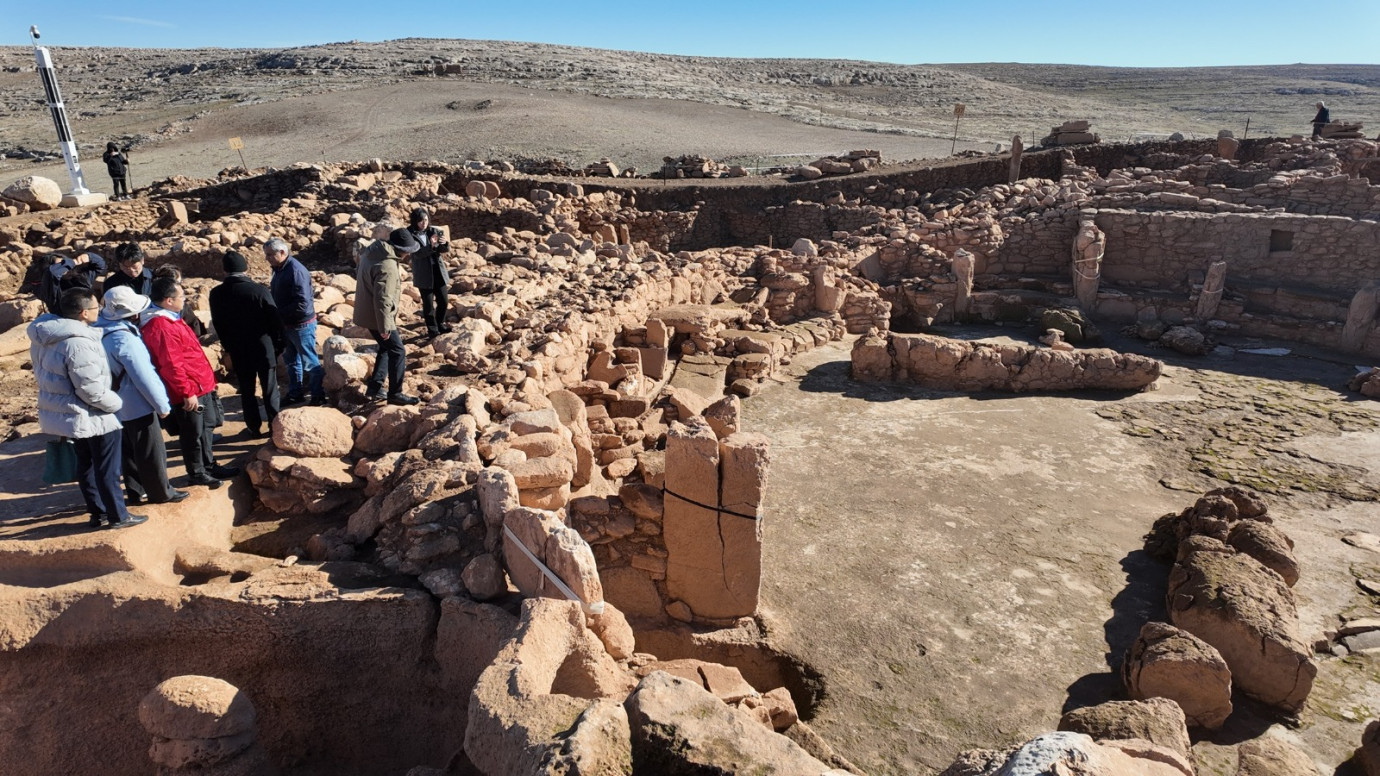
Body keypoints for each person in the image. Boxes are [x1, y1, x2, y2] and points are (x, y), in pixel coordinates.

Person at [29, 288, 146, 529]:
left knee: (86, 463)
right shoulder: (78, 342)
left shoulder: (44, 336)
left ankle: (98, 512)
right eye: (96, 308)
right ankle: (118, 515)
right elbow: (90, 389)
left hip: (68, 413)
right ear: (83, 313)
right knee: (107, 468)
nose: (100, 311)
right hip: (92, 414)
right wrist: (116, 403)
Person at [141, 277, 240, 488]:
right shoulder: (160, 325)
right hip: (189, 389)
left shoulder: (171, 319)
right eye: (181, 297)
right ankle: (196, 471)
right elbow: (171, 364)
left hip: (199, 384)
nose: (184, 300)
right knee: (192, 433)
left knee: (205, 428)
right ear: (168, 300)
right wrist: (186, 391)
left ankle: (209, 464)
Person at [96, 286, 190, 506]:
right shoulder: (124, 338)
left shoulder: (100, 329)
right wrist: (162, 405)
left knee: (128, 449)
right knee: (150, 450)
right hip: (136, 402)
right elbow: (143, 375)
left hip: (114, 401)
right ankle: (161, 492)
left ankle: (136, 490)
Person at [209, 251, 283, 438]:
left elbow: (218, 323)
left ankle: (253, 427)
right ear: (245, 268)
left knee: (247, 390)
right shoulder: (258, 291)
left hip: (238, 350)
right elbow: (275, 321)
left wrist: (228, 346)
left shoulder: (216, 294)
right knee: (270, 389)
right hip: (264, 348)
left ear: (224, 270)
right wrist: (279, 345)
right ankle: (275, 428)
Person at [355, 228, 420, 405]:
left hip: (367, 312)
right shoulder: (388, 266)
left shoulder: (374, 252)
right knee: (398, 351)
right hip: (377, 317)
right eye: (408, 251)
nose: (408, 254)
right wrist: (385, 327)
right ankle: (395, 393)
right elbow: (382, 299)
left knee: (386, 348)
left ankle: (375, 387)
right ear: (402, 249)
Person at [264, 237, 324, 406]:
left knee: (310, 362)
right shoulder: (279, 268)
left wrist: (279, 315)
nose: (267, 258)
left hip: (300, 324)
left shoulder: (295, 271)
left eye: (269, 255)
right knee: (291, 361)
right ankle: (295, 393)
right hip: (287, 324)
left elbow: (302, 304)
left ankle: (317, 396)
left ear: (282, 252)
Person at [406, 207, 452, 337]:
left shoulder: (433, 231)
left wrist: (444, 244)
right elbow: (416, 253)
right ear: (415, 221)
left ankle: (440, 324)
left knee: (443, 300)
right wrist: (430, 246)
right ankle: (432, 330)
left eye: (426, 220)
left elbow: (444, 250)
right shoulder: (409, 234)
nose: (424, 223)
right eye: (420, 221)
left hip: (438, 270)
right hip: (423, 273)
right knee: (428, 304)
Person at [38, 252, 106, 314]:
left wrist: (89, 257)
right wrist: (73, 262)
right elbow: (53, 273)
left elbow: (100, 265)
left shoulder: (81, 278)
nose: (67, 270)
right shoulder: (52, 290)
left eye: (67, 266)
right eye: (62, 267)